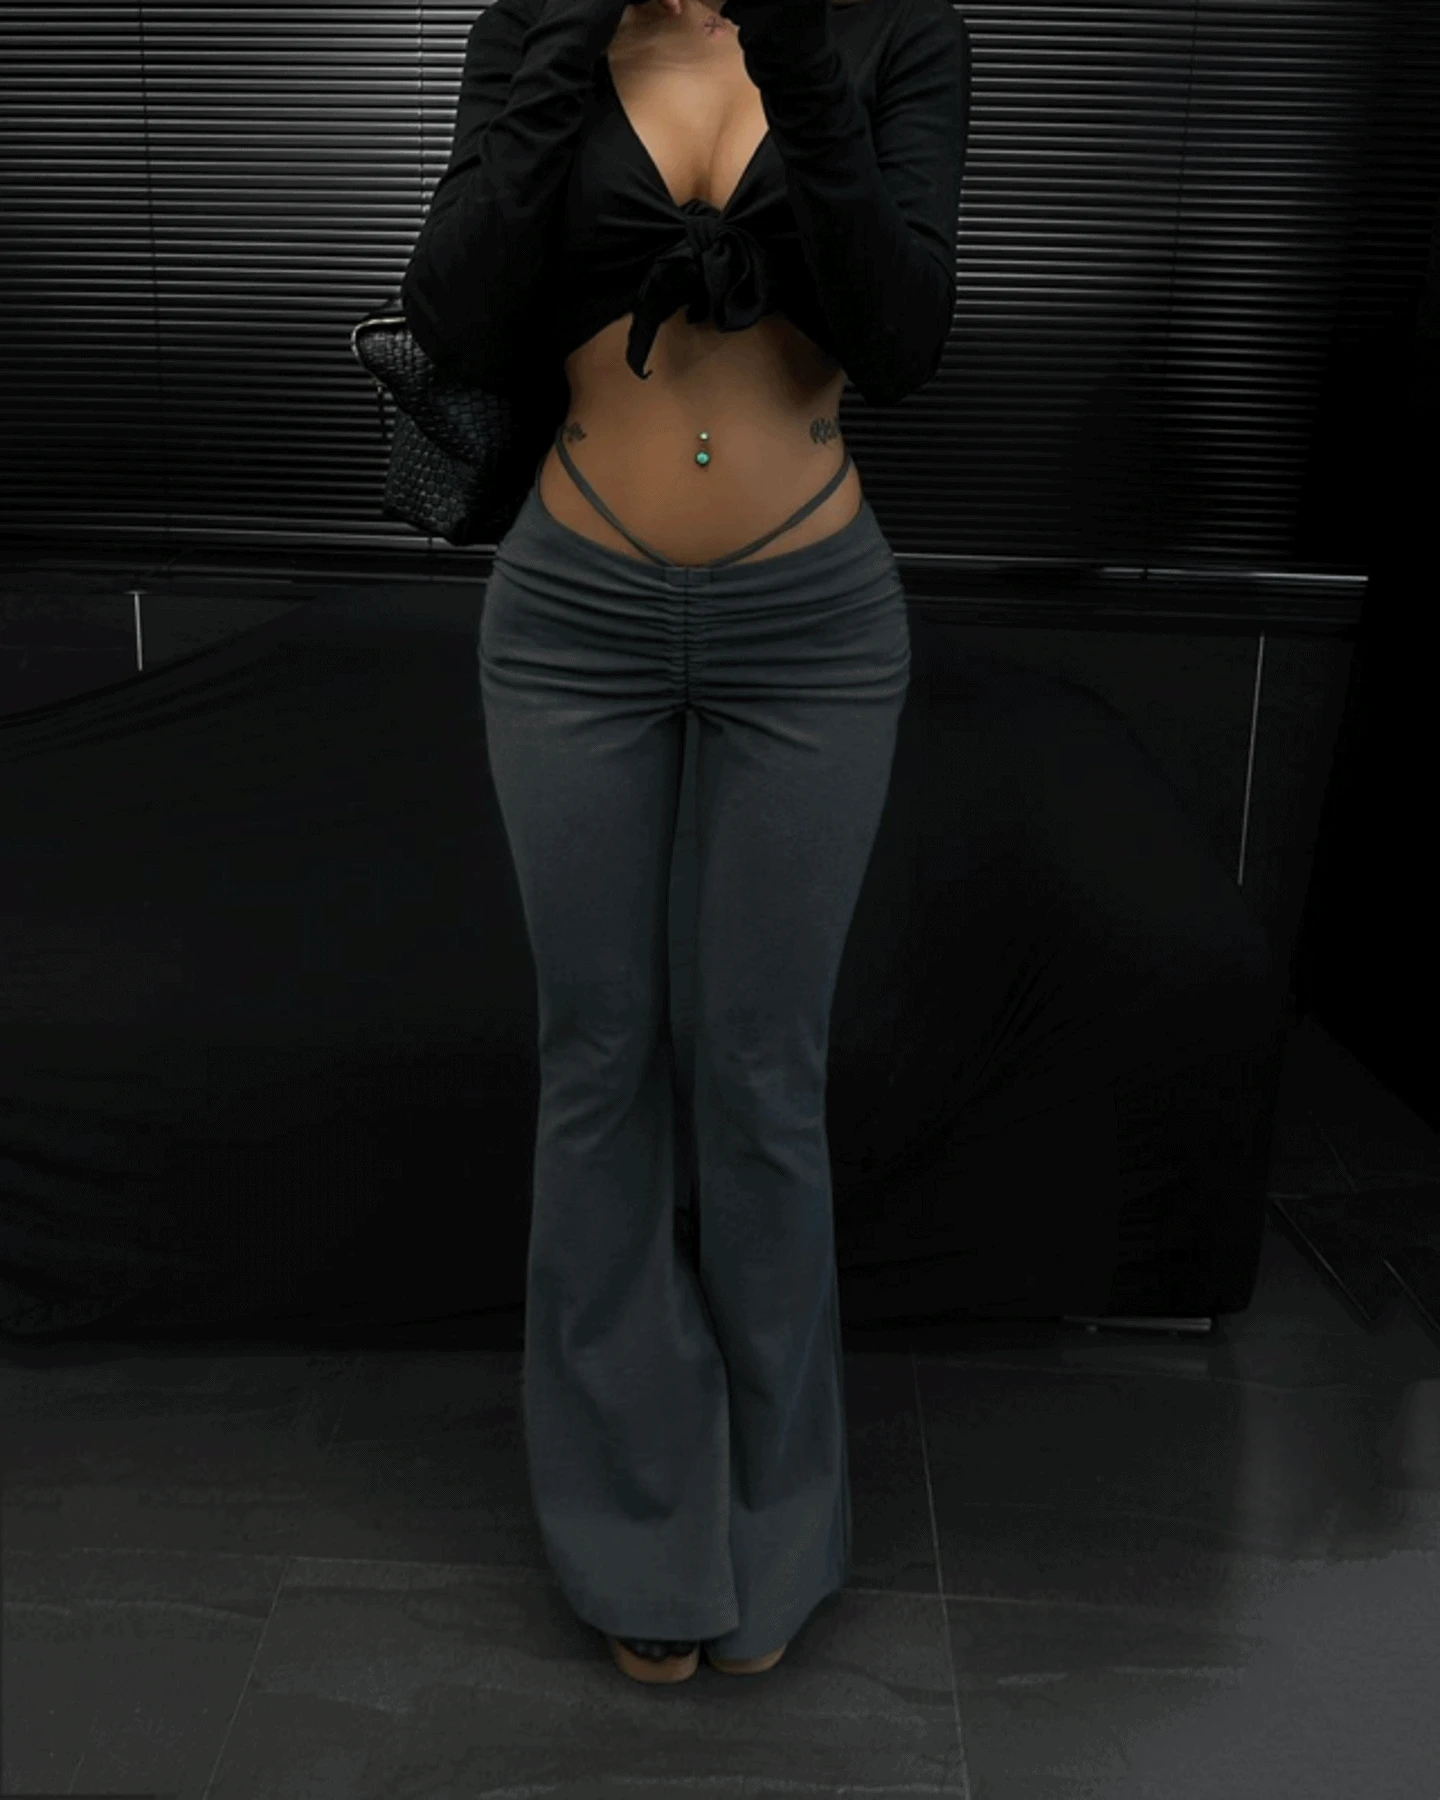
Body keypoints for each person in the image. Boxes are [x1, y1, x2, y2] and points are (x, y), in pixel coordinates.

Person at [401, 0, 970, 1686]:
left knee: (758, 1073)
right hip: (572, 621)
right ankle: (639, 1528)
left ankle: (778, 1527)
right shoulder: (533, 30)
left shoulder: (901, 33)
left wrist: (793, 51)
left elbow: (904, 333)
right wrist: (569, 37)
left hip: (813, 629)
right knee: (601, 1062)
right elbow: (452, 309)